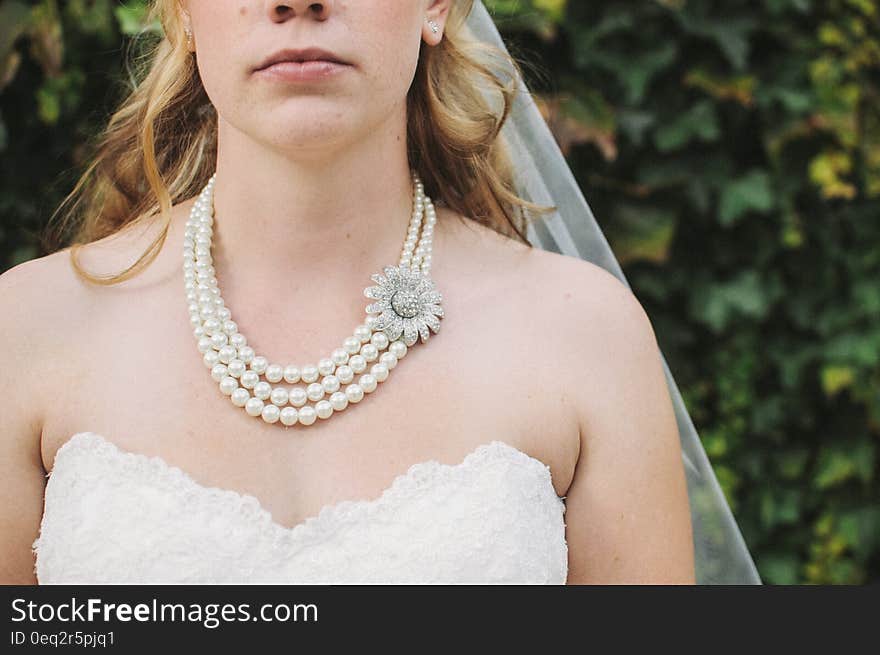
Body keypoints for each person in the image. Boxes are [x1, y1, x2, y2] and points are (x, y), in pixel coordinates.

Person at [0, 0, 698, 584]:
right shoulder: (26, 330)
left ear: (435, 6)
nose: (298, 2)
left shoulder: (588, 338)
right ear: (182, 13)